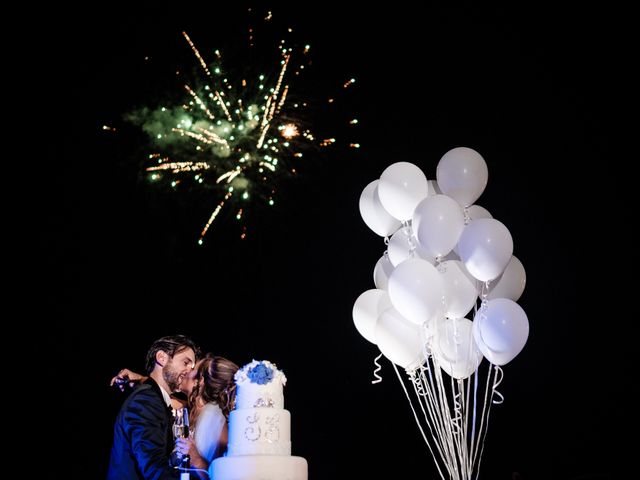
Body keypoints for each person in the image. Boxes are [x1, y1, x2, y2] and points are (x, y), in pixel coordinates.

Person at [110, 354, 239, 479]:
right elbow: (160, 390)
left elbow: (223, 475)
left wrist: (197, 460)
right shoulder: (186, 408)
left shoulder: (215, 420)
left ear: (200, 382)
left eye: (192, 369)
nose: (186, 371)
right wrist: (139, 378)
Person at [107, 334, 199, 480]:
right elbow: (153, 468)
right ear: (161, 358)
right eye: (185, 362)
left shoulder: (156, 399)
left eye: (192, 366)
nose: (189, 371)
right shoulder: (146, 401)